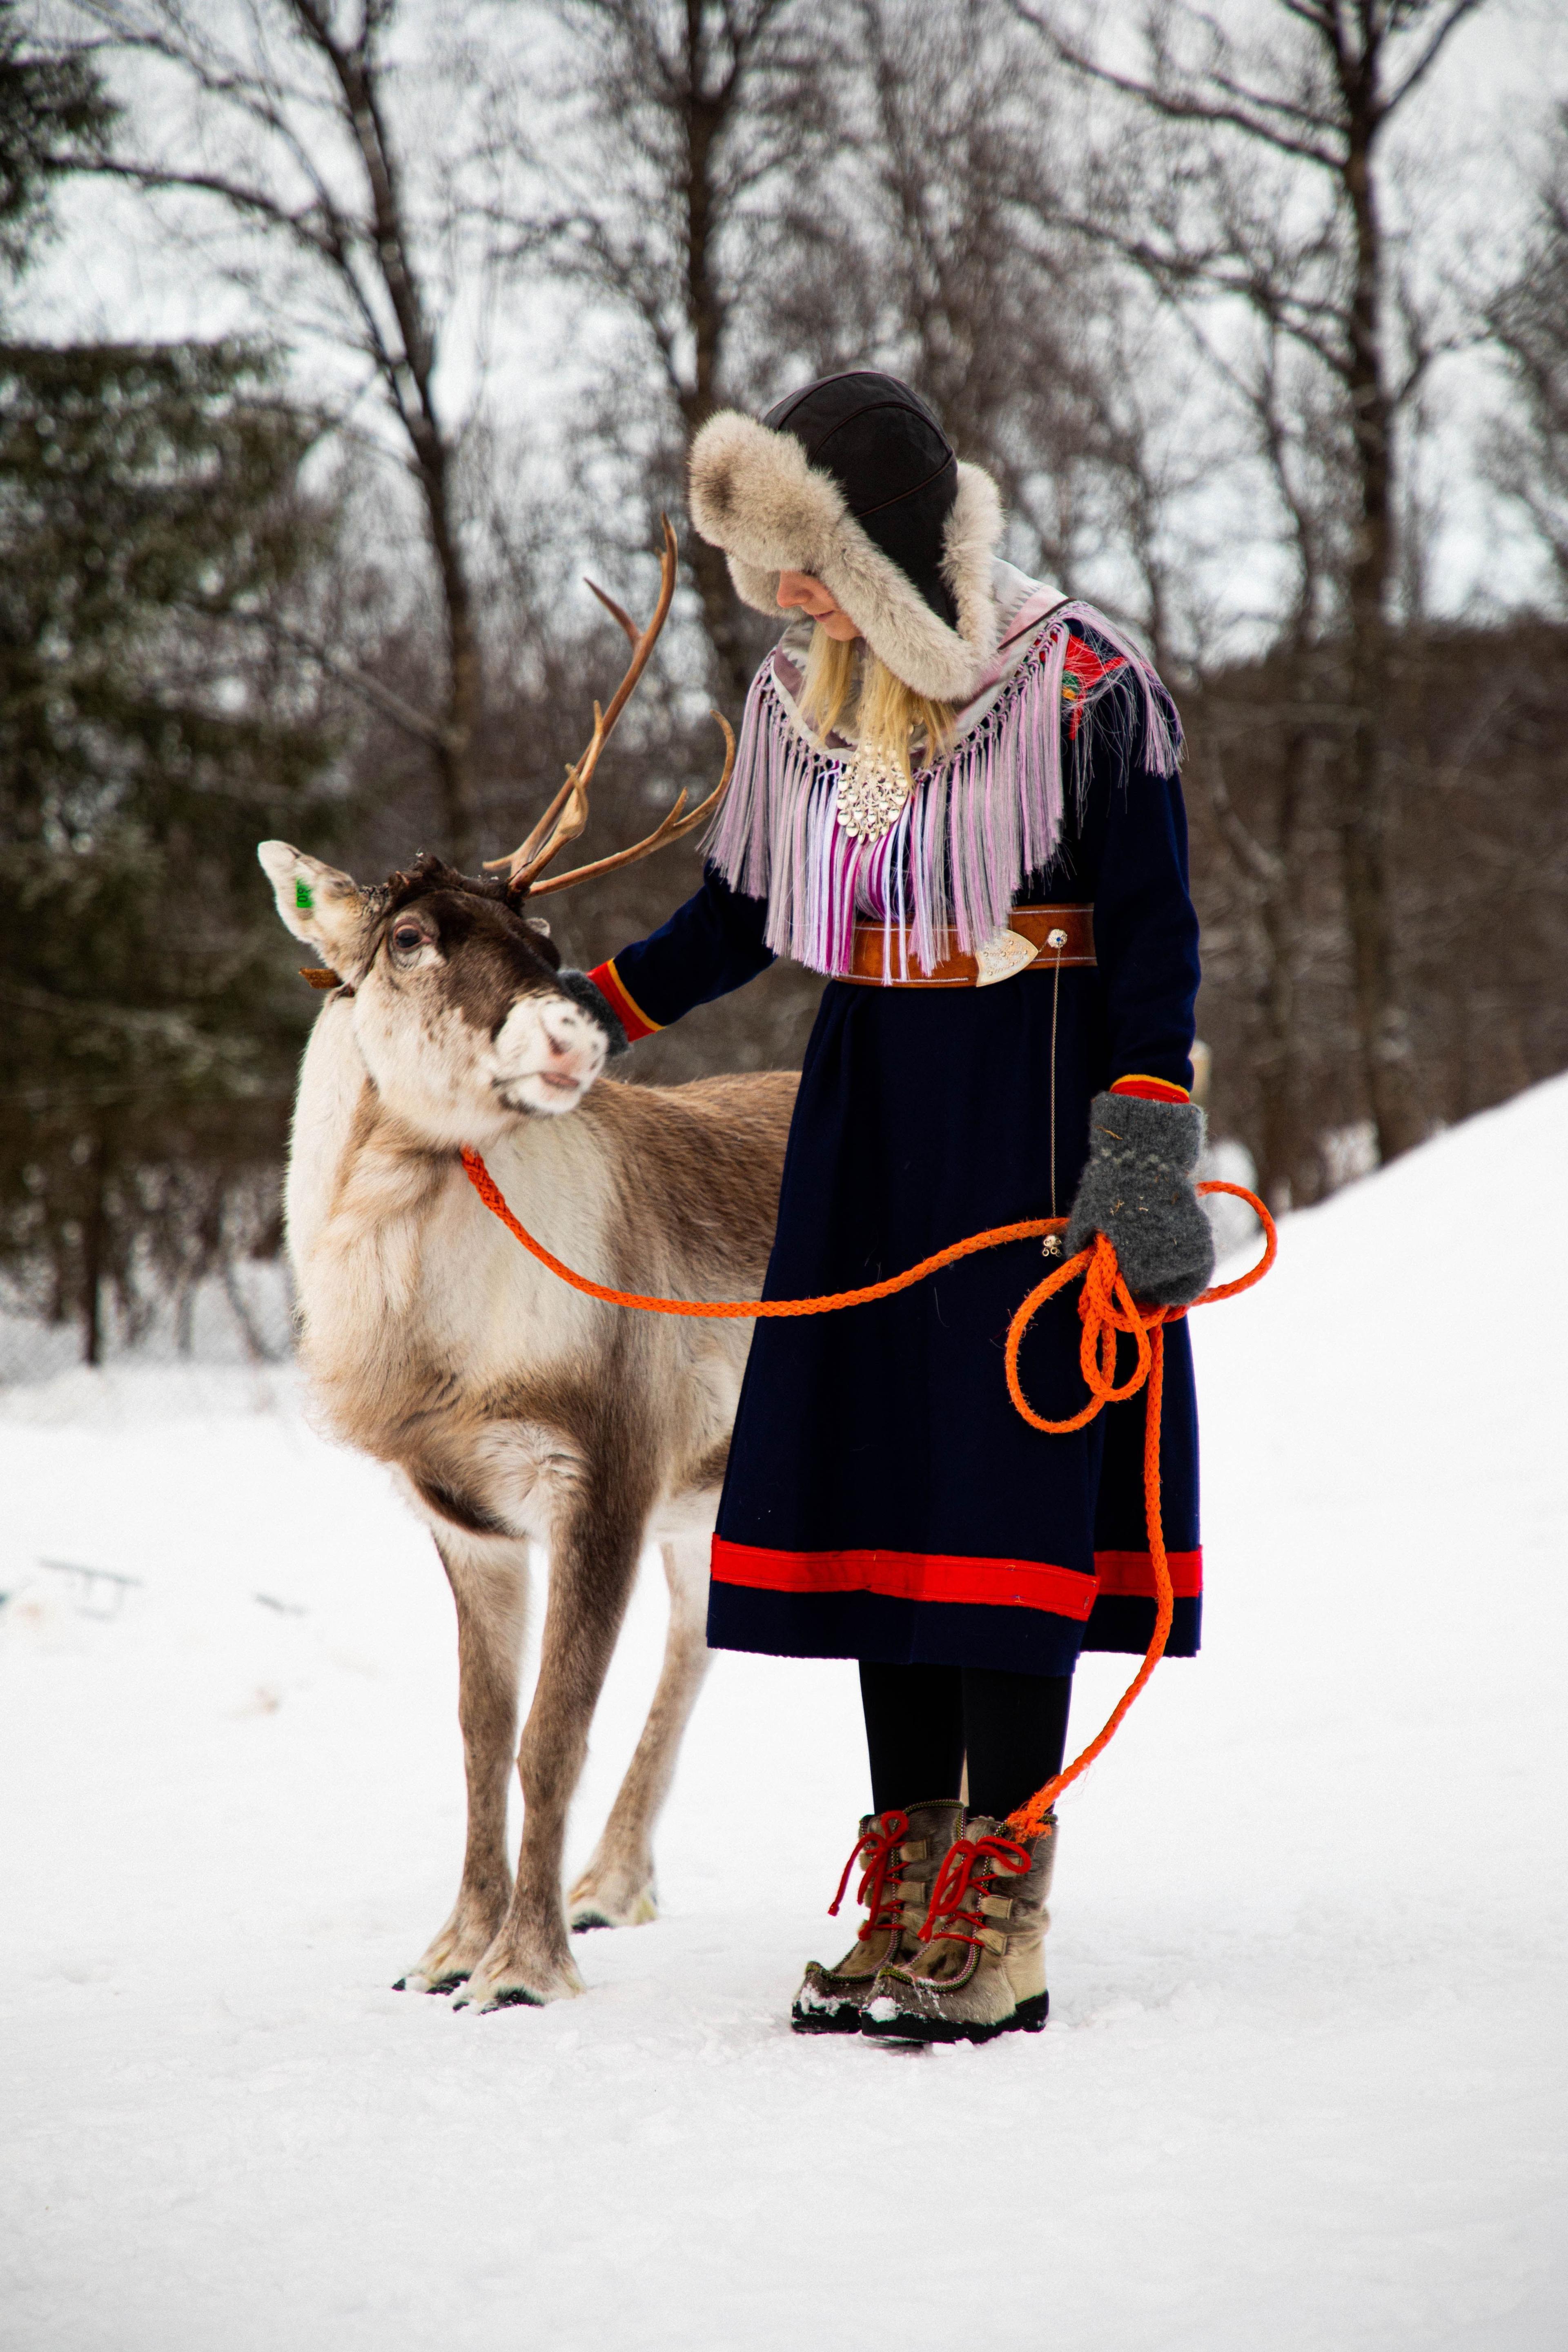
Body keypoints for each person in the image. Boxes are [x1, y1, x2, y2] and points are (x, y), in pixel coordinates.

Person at [586, 371, 1213, 2044]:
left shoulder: (1083, 687)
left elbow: (1157, 938)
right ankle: (911, 1874)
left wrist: (1143, 1147)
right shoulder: (809, 711)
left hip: (1028, 1101)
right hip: (868, 1109)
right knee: (885, 1488)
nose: (780, 602)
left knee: (999, 1493)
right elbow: (737, 917)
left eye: (802, 567)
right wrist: (594, 1014)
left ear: (868, 551)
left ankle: (997, 1903)